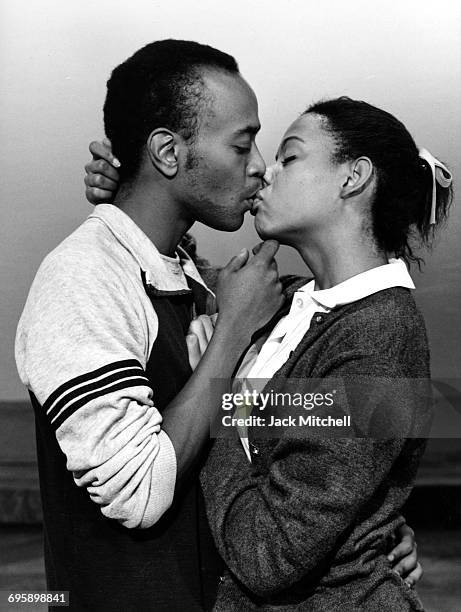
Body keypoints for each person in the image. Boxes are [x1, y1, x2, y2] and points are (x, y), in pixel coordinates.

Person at [84, 94, 439, 609]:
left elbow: (266, 557)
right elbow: (186, 272)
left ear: (353, 177)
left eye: (289, 157)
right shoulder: (288, 305)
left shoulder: (381, 340)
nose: (266, 173)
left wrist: (218, 395)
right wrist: (135, 195)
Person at [15, 39, 284, 611]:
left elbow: (303, 422)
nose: (260, 165)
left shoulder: (188, 275)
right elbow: (139, 493)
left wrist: (371, 528)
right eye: (243, 144)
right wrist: (233, 331)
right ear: (167, 152)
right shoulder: (81, 278)